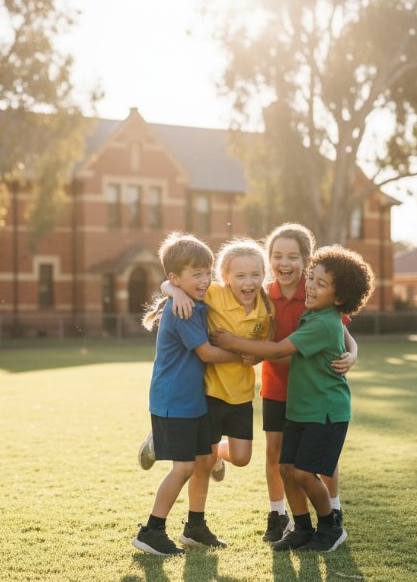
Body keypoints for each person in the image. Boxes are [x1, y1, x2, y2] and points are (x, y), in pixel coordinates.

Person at [212, 245, 375, 553]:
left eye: (320, 284)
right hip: (301, 411)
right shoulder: (313, 315)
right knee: (286, 469)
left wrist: (232, 342)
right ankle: (301, 528)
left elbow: (276, 351)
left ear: (339, 298)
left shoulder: (325, 322)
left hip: (325, 413)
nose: (310, 286)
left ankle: (330, 525)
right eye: (311, 279)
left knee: (303, 472)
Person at [132, 232, 242, 557]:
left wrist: (173, 289)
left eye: (207, 272)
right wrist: (245, 355)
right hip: (173, 403)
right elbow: (207, 353)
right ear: (176, 278)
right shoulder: (183, 310)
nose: (205, 279)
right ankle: (151, 530)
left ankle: (195, 527)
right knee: (183, 467)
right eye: (197, 274)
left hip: (194, 402)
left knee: (205, 461)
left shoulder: (194, 301)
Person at [259, 223, 358, 542]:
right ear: (269, 259)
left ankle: (333, 509)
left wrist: (353, 355)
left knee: (320, 461)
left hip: (315, 393)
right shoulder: (263, 294)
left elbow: (344, 336)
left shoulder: (317, 292)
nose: (284, 263)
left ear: (306, 260)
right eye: (276, 256)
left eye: (292, 256)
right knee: (278, 455)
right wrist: (171, 289)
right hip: (277, 386)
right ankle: (278, 515)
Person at [163, 238, 273, 472]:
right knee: (204, 460)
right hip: (210, 391)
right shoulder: (213, 293)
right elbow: (173, 282)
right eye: (240, 276)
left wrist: (257, 357)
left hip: (242, 393)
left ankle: (220, 455)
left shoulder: (266, 308)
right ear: (224, 277)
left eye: (255, 274)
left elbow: (264, 346)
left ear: (265, 274)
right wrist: (176, 293)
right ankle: (188, 449)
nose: (248, 282)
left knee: (242, 458)